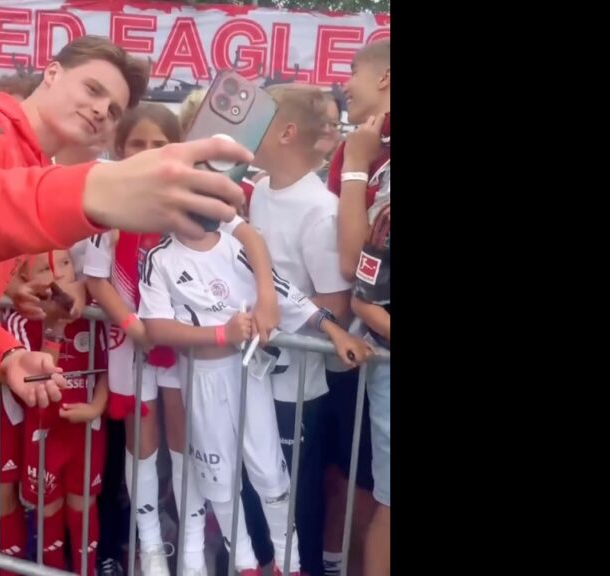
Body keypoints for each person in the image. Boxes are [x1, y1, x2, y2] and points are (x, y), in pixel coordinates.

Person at [0, 36, 254, 408]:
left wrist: (7, 353)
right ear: (52, 72)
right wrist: (93, 192)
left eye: (114, 110)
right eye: (92, 89)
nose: (101, 110)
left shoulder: (31, 161)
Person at [83, 102, 280, 576]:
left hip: (185, 346)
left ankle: (191, 545)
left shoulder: (192, 193)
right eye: (137, 144)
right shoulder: (106, 199)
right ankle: (151, 548)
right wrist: (133, 326)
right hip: (132, 343)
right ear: (119, 148)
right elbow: (96, 279)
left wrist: (268, 295)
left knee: (188, 441)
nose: (148, 152)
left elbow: (245, 233)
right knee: (141, 445)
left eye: (159, 144)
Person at [137, 211, 371, 576]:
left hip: (247, 375)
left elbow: (286, 294)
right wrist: (220, 335)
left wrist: (336, 332)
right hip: (201, 379)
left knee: (269, 472)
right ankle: (244, 564)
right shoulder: (160, 259)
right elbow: (156, 327)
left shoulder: (236, 249)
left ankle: (288, 563)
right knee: (220, 476)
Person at [247, 84, 356, 576]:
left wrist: (276, 309)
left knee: (296, 505)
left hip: (297, 388)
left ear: (286, 132)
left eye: (257, 118)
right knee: (256, 493)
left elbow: (336, 309)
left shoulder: (322, 210)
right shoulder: (261, 191)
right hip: (253, 377)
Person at [0, 249, 111, 573]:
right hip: (43, 432)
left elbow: (107, 370)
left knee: (84, 505)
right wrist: (53, 328)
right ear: (25, 282)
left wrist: (96, 408)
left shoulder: (92, 315)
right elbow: (36, 386)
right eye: (45, 269)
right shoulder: (19, 320)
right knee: (48, 509)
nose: (59, 275)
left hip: (86, 432)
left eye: (63, 264)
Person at [330, 40, 390, 576]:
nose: (344, 84)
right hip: (361, 346)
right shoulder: (372, 146)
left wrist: (353, 165)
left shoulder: (366, 153)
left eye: (352, 71)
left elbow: (351, 264)